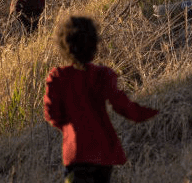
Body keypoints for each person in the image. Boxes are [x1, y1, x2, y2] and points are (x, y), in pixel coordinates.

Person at [44, 16, 158, 183]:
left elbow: (51, 114)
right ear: (94, 45)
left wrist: (70, 126)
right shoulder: (103, 74)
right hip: (104, 152)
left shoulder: (58, 77)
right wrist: (150, 112)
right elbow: (122, 106)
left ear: (63, 46)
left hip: (76, 152)